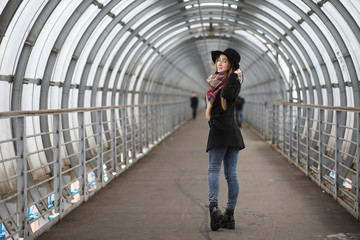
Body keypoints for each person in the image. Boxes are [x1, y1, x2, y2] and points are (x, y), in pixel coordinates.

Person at [205, 48, 245, 231]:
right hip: (230, 131)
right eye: (219, 60)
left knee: (217, 171)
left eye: (225, 61)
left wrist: (233, 77)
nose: (220, 63)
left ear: (232, 65)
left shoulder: (231, 81)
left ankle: (215, 209)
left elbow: (228, 95)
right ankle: (229, 217)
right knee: (230, 175)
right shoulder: (217, 82)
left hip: (222, 130)